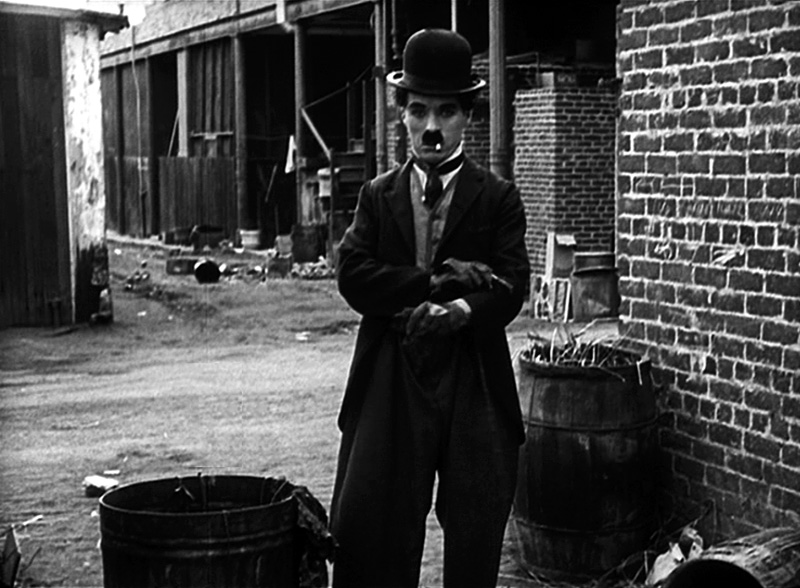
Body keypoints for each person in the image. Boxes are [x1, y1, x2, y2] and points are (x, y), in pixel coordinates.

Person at [329, 28, 530, 588]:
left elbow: (512, 285)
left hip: (473, 373)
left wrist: (461, 311)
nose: (431, 127)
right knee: (372, 520)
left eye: (446, 111)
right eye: (419, 111)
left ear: (467, 117)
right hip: (391, 369)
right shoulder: (378, 195)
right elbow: (353, 276)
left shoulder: (497, 197)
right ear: (402, 115)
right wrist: (433, 282)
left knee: (476, 517)